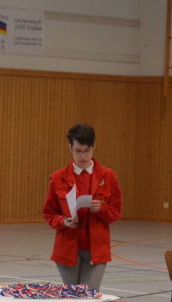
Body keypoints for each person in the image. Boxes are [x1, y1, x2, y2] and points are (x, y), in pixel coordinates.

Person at [42, 123, 123, 290]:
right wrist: (63, 221)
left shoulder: (109, 176)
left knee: (89, 296)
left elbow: (115, 213)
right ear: (70, 148)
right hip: (67, 249)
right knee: (72, 297)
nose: (83, 156)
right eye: (78, 151)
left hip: (97, 250)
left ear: (94, 147)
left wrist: (101, 209)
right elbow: (49, 213)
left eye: (87, 150)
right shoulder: (57, 178)